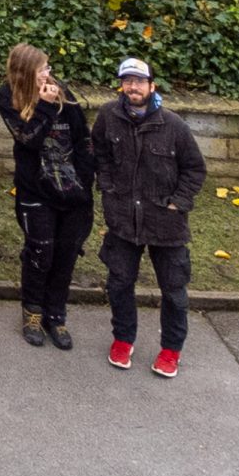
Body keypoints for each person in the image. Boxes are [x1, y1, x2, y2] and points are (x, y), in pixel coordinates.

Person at [93, 57, 205, 378]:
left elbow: (195, 168)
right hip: (123, 221)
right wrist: (107, 185)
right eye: (127, 81)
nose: (133, 87)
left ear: (152, 86)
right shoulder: (108, 117)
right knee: (119, 284)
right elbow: (98, 150)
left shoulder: (174, 125)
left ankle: (171, 349)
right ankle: (123, 339)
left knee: (173, 290)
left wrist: (178, 202)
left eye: (139, 81)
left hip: (166, 223)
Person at [0, 45, 94, 352]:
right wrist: (46, 107)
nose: (49, 74)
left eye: (49, 68)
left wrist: (85, 186)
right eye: (42, 69)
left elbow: (82, 139)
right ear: (26, 73)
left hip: (72, 191)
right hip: (36, 191)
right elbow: (28, 140)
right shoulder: (7, 96)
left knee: (65, 254)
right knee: (40, 253)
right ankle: (33, 312)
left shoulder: (62, 92)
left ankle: (56, 314)